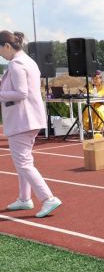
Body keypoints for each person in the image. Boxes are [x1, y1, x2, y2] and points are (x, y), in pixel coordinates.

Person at [0, 30, 62, 218]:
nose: (1, 55)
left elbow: (21, 93)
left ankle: (48, 198)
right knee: (23, 161)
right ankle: (25, 198)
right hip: (28, 119)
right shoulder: (27, 61)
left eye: (0, 50)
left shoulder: (17, 64)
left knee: (24, 163)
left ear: (8, 46)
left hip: (22, 120)